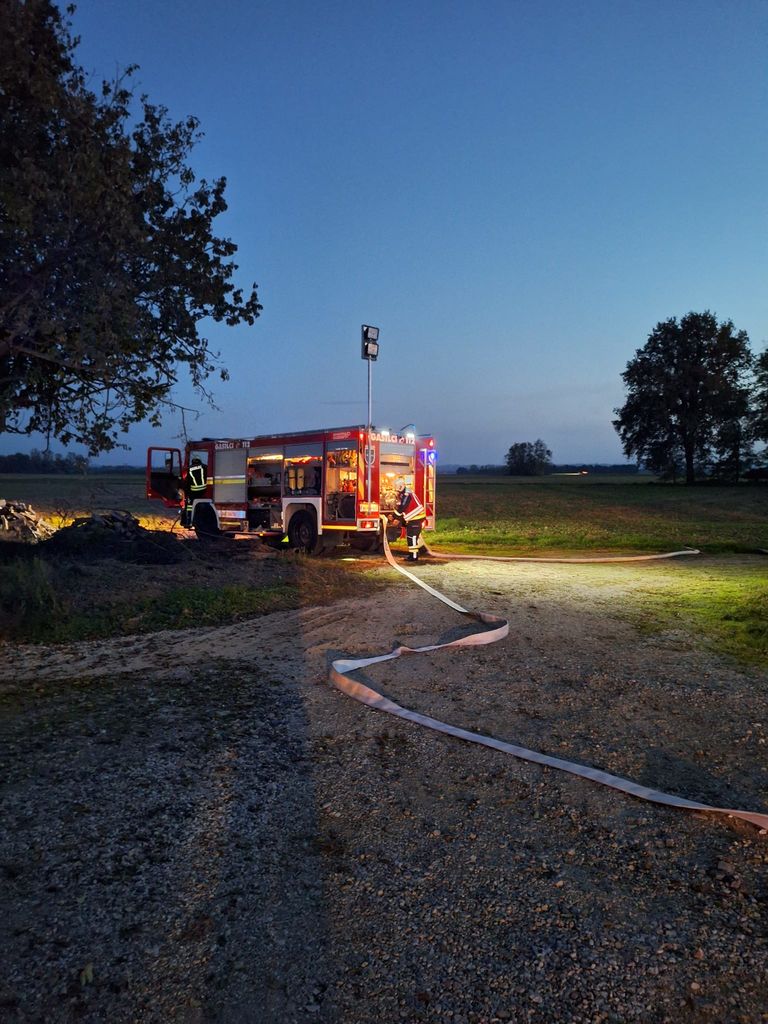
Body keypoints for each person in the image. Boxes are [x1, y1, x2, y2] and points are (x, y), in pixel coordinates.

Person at [392, 478, 426, 562]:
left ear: (401, 486)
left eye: (396, 487)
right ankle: (420, 551)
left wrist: (394, 517)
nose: (396, 489)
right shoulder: (406, 493)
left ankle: (413, 556)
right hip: (415, 518)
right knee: (414, 537)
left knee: (412, 537)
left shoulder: (407, 494)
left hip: (416, 518)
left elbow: (403, 507)